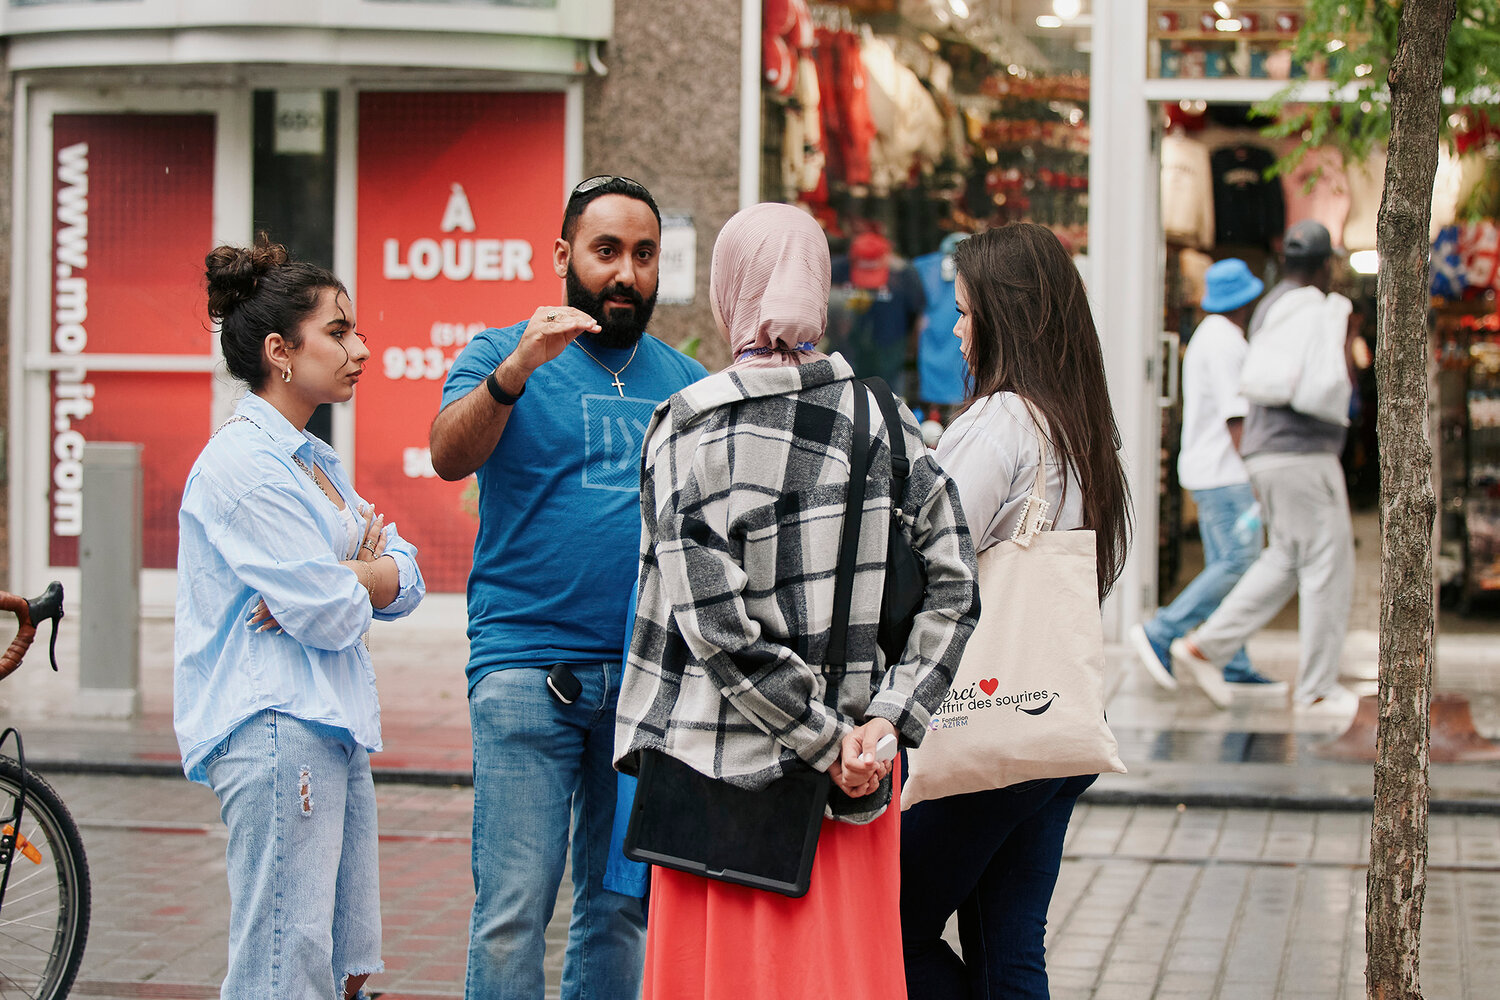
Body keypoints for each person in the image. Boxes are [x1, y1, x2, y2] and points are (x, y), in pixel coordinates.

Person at [613, 202, 980, 1000]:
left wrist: (821, 740)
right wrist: (882, 724)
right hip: (850, 793)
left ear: (732, 287)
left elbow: (714, 629)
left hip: (716, 790)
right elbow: (956, 584)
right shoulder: (885, 421)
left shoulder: (689, 428)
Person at [429, 175, 707, 1000]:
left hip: (646, 685)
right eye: (606, 251)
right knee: (513, 911)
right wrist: (517, 371)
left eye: (644, 255)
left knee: (619, 911)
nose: (626, 273)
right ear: (562, 255)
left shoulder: (688, 381)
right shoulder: (498, 354)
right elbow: (447, 455)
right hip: (526, 671)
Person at [175, 238, 426, 1000]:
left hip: (330, 725)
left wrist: (351, 574)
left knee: (343, 964)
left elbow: (408, 576)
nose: (362, 349)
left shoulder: (312, 461)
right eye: (339, 332)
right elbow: (328, 614)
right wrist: (352, 575)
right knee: (283, 967)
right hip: (278, 726)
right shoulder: (245, 466)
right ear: (280, 352)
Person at [900, 222, 1131, 1000]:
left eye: (966, 312)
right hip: (1054, 721)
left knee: (891, 931)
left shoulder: (999, 423)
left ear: (1005, 316)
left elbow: (929, 560)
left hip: (987, 716)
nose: (957, 332)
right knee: (1009, 948)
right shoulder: (1079, 425)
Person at [1171, 220, 1361, 719]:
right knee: (1327, 565)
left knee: (1285, 558)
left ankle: (1206, 646)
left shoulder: (1272, 309)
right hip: (1303, 452)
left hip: (1270, 453)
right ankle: (1316, 689)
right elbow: (1329, 385)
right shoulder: (1314, 308)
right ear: (1325, 266)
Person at [1129, 257, 1287, 708]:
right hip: (1227, 473)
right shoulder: (1225, 342)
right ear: (1246, 301)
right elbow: (1237, 418)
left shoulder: (1210, 336)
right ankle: (1163, 630)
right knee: (1239, 562)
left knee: (1231, 568)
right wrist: (1256, 473)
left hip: (1214, 472)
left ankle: (1232, 661)